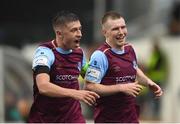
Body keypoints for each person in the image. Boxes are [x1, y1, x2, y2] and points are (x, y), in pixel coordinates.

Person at [84, 11, 163, 123]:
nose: (121, 32)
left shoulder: (129, 49)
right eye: (115, 29)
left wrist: (148, 82)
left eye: (123, 27)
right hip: (109, 119)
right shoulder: (100, 55)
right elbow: (89, 86)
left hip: (131, 118)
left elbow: (134, 69)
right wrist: (121, 87)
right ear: (105, 32)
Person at [27, 11, 99, 123]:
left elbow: (90, 76)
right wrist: (74, 93)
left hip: (74, 119)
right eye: (74, 30)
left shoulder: (79, 53)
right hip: (45, 120)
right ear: (59, 33)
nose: (79, 34)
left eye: (80, 29)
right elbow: (43, 86)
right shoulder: (45, 52)